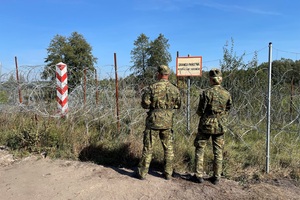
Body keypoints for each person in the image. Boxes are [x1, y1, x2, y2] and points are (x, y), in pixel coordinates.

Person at [135, 65, 181, 180]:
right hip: (167, 121)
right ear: (168, 74)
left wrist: (153, 106)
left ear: (159, 74)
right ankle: (168, 173)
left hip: (153, 120)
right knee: (168, 148)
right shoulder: (174, 89)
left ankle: (142, 173)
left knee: (148, 147)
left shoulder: (152, 87)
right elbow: (178, 104)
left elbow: (145, 103)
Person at [193, 68, 232, 185]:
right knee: (218, 151)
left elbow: (200, 111)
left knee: (200, 148)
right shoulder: (226, 93)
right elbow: (228, 108)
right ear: (220, 79)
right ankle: (216, 177)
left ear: (211, 79)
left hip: (206, 124)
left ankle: (199, 175)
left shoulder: (206, 93)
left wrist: (206, 115)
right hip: (220, 124)